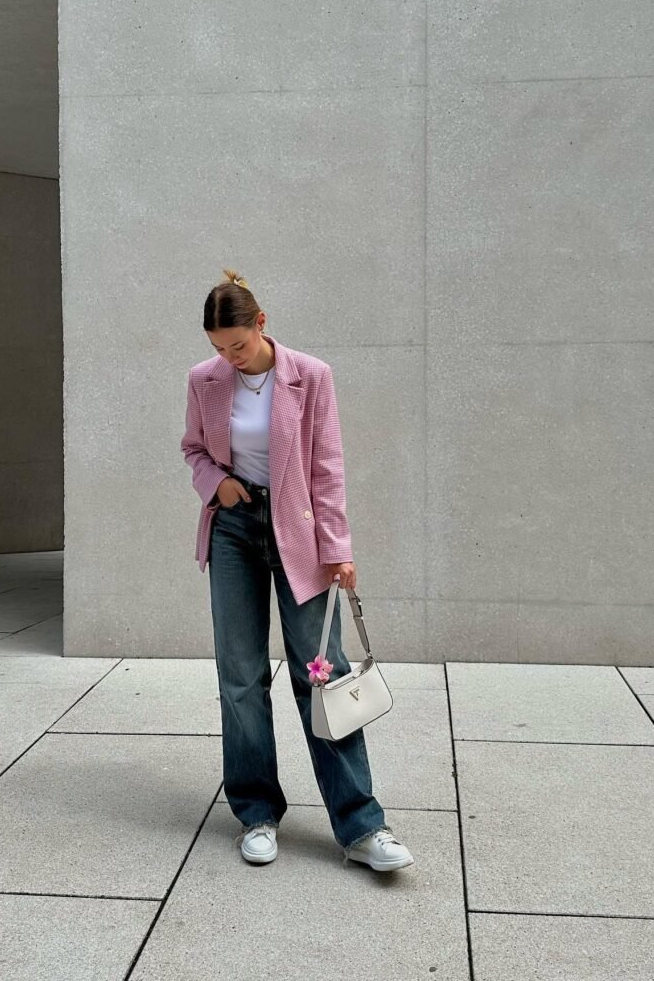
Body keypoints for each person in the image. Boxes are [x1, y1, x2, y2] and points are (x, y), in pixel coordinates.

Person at [181, 268, 414, 872]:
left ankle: (362, 826)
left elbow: (326, 467)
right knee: (239, 674)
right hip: (233, 530)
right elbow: (194, 448)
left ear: (261, 323)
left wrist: (339, 548)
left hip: (300, 535)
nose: (228, 357)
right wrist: (220, 485)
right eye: (217, 348)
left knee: (323, 674)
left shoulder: (310, 377)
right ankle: (256, 812)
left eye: (236, 344)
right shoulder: (204, 380)